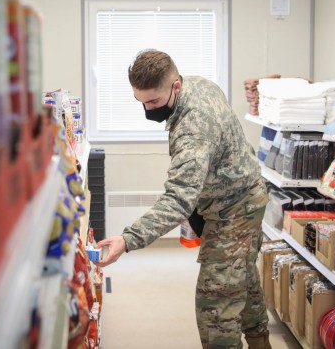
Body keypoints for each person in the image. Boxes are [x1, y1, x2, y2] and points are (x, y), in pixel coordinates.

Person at [95, 49, 271, 349]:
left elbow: (178, 199)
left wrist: (128, 239)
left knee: (214, 304)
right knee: (241, 278)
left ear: (175, 86)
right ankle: (260, 343)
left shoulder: (194, 128)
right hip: (237, 193)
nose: (148, 109)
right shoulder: (198, 84)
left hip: (236, 208)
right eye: (141, 101)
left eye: (153, 102)